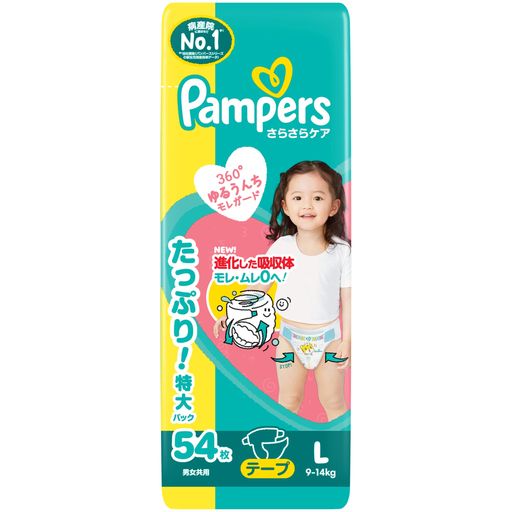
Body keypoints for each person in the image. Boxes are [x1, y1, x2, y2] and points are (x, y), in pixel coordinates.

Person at [214, 161, 351, 421]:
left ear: (334, 206)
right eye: (298, 198)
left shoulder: (342, 252)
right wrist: (233, 314)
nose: (307, 205)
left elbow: (350, 300)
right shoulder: (282, 248)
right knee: (288, 402)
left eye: (317, 198)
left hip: (330, 339)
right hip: (289, 337)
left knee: (334, 401)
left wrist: (348, 340)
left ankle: (337, 446)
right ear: (286, 207)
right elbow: (260, 287)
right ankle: (286, 444)